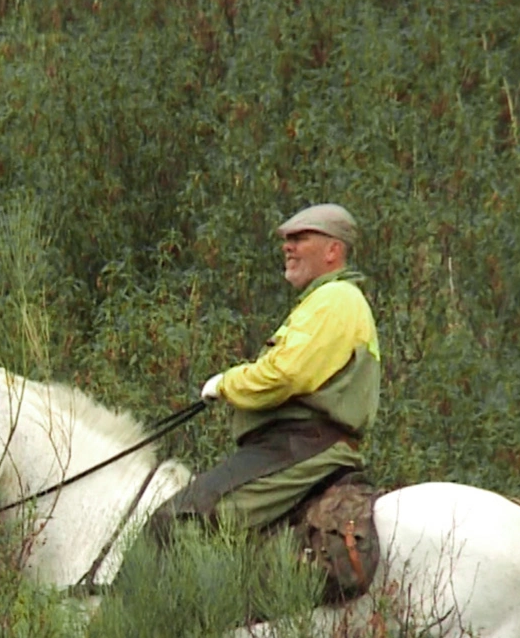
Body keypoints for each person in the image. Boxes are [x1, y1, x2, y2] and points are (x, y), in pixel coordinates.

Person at [145, 202, 379, 542]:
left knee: (183, 525)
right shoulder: (324, 301)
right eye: (288, 239)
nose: (288, 246)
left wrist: (227, 384)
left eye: (300, 238)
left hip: (303, 446)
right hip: (292, 446)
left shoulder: (335, 299)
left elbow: (285, 375)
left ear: (333, 250)